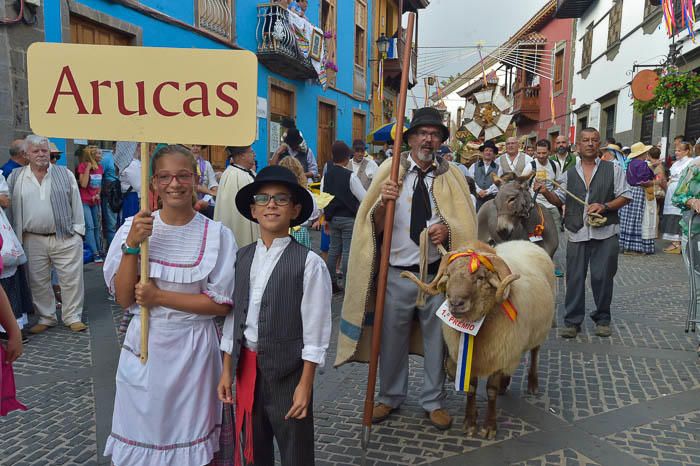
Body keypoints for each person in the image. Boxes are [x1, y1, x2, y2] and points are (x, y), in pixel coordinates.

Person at [336, 107, 477, 430]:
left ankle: (433, 401)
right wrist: (385, 202)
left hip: (436, 276)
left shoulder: (451, 175)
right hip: (395, 273)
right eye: (422, 133)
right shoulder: (390, 170)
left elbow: (465, 221)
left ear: (441, 140)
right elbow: (371, 228)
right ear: (411, 138)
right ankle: (390, 396)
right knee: (391, 339)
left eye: (434, 134)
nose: (428, 139)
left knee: (436, 339)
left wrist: (448, 231)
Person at [103, 145, 236, 466]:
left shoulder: (217, 235)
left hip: (194, 353)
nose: (174, 184)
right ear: (153, 184)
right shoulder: (132, 229)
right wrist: (132, 246)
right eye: (164, 176)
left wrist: (159, 297)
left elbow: (221, 306)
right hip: (145, 348)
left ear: (195, 179)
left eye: (182, 176)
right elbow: (123, 298)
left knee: (190, 442)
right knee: (144, 435)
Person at [218, 165, 331, 466]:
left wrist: (305, 385)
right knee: (253, 447)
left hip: (288, 373)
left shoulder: (308, 264)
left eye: (281, 199)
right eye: (263, 199)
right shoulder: (241, 258)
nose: (271, 205)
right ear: (253, 211)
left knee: (295, 448)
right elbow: (233, 319)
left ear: (295, 211)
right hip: (246, 368)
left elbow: (316, 331)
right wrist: (227, 370)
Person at [535, 128, 631, 339]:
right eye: (585, 140)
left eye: (594, 140)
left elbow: (625, 196)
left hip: (606, 232)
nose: (589, 144)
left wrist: (604, 206)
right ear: (578, 145)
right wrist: (545, 192)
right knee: (575, 277)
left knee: (602, 277)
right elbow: (559, 200)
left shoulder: (613, 169)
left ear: (599, 145)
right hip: (577, 231)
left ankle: (603, 318)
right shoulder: (569, 173)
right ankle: (572, 321)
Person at [6, 135, 87, 334]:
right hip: (32, 237)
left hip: (64, 235)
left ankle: (72, 316)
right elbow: (9, 211)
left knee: (71, 279)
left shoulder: (64, 173)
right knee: (38, 280)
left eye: (44, 150)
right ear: (26, 155)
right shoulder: (16, 177)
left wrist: (78, 231)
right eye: (36, 151)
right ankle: (46, 317)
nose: (42, 154)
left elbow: (76, 203)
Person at [322, 141, 366, 293]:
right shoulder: (350, 176)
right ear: (347, 158)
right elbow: (364, 198)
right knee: (347, 251)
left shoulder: (327, 176)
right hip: (348, 218)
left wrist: (325, 218)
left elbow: (324, 198)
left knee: (333, 250)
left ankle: (331, 283)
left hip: (333, 218)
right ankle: (347, 284)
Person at [670, 156, 700, 356]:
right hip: (696, 233)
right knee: (699, 287)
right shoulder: (694, 168)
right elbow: (677, 196)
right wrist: (692, 200)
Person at [214, 145, 261, 247]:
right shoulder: (232, 175)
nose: (254, 154)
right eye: (251, 152)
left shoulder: (248, 173)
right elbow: (232, 214)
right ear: (242, 155)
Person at [530, 139, 564, 276]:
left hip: (551, 205)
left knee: (554, 236)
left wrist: (560, 201)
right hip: (536, 205)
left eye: (544, 153)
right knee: (536, 236)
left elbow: (559, 184)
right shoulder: (531, 166)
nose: (541, 156)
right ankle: (536, 263)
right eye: (538, 153)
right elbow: (523, 185)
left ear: (549, 152)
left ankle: (550, 262)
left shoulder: (554, 165)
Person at [619, 142, 656, 255]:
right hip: (639, 192)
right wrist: (654, 182)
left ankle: (625, 244)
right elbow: (643, 181)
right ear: (643, 153)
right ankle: (635, 246)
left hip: (630, 191)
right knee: (638, 217)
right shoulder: (642, 164)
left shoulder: (630, 163)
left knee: (628, 218)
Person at [279, 156, 319, 249]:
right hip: (301, 232)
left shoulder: (278, 195)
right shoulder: (306, 194)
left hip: (280, 231)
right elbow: (314, 216)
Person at [662, 141, 694, 254]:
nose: (676, 152)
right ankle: (675, 242)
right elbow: (671, 177)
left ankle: (679, 242)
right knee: (671, 215)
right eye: (676, 150)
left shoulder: (691, 162)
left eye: (679, 150)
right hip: (672, 190)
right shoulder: (676, 164)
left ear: (687, 151)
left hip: (682, 189)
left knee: (679, 215)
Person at [76, 146, 105, 263]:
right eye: (98, 153)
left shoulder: (100, 167)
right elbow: (83, 184)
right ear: (92, 155)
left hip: (95, 200)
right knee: (90, 226)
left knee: (98, 227)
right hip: (85, 200)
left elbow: (99, 184)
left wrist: (98, 194)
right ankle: (95, 252)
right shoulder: (82, 166)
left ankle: (100, 249)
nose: (100, 156)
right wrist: (88, 168)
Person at [468, 140, 500, 211]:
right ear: (483, 152)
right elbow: (471, 181)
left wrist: (488, 191)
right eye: (486, 150)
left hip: (491, 200)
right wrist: (478, 190)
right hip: (476, 199)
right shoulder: (474, 166)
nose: (488, 152)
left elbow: (498, 183)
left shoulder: (499, 168)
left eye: (491, 151)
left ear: (494, 153)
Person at [100, 148, 119, 248]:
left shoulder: (126, 159)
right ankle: (113, 248)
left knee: (119, 223)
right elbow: (99, 174)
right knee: (111, 223)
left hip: (122, 193)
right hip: (110, 193)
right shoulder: (107, 159)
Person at [119, 145, 141, 223]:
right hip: (132, 197)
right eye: (138, 146)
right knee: (130, 222)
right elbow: (138, 186)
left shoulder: (131, 163)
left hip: (131, 196)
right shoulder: (132, 164)